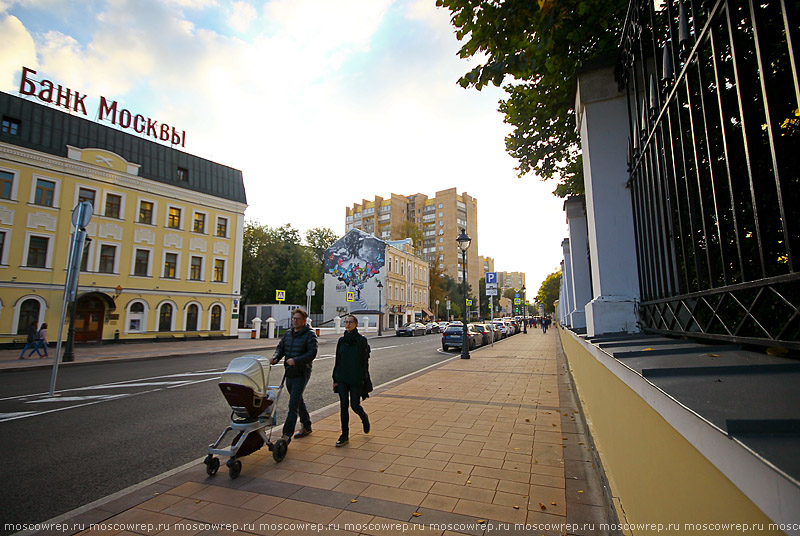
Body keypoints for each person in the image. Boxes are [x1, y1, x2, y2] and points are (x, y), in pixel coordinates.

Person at [270, 308, 317, 443]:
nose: (294, 321)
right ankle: (306, 425)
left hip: (302, 373)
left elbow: (312, 353)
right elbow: (281, 348)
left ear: (303, 321)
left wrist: (296, 360)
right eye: (293, 319)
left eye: (297, 319)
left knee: (293, 405)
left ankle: (286, 436)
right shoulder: (288, 334)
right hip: (289, 372)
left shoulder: (310, 335)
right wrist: (276, 357)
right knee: (297, 400)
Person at [332, 315, 372, 447]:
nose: (348, 324)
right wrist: (335, 379)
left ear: (356, 324)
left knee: (354, 405)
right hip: (342, 378)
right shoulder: (341, 341)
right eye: (346, 322)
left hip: (356, 378)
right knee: (343, 406)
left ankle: (363, 417)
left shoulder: (361, 341)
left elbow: (364, 362)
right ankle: (344, 434)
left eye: (350, 322)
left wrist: (364, 379)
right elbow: (338, 360)